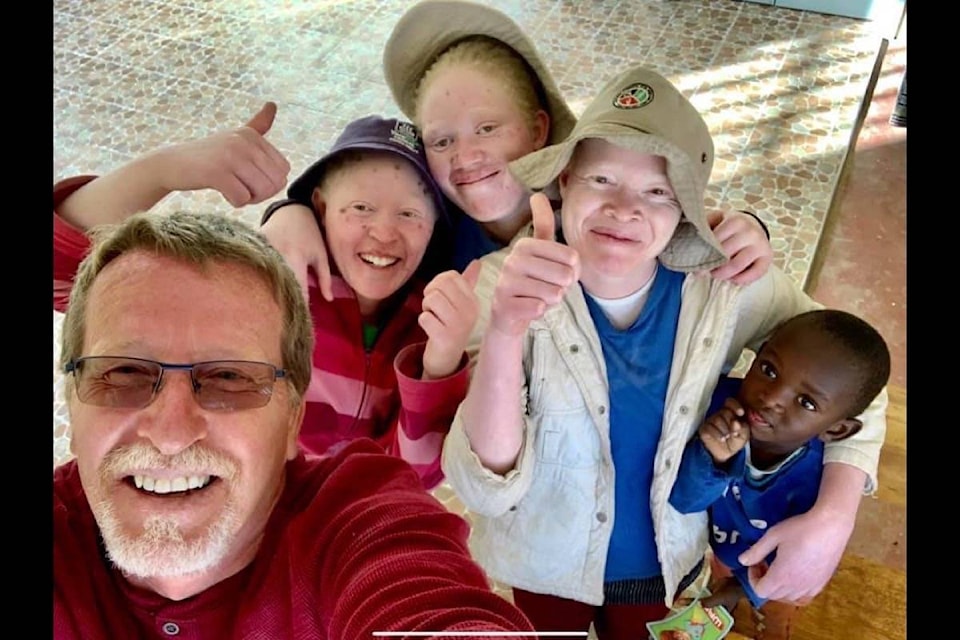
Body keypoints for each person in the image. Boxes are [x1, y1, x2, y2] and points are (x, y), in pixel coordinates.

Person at [439, 64, 888, 637]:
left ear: (688, 212)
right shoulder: (497, 286)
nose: (625, 209)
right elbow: (482, 485)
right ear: (565, 179)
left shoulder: (726, 285)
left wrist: (834, 516)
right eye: (602, 180)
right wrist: (505, 330)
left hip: (666, 565)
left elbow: (853, 375)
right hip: (542, 567)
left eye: (658, 192)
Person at [53, 208, 535, 637]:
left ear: (292, 420)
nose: (171, 433)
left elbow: (426, 601)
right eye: (124, 373)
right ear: (72, 402)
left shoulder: (356, 516)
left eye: (228, 377)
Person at [53, 104, 478, 488]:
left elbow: (411, 478)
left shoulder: (431, 319)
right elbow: (67, 276)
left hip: (337, 533)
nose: (384, 233)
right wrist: (164, 170)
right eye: (361, 209)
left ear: (435, 228)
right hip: (234, 509)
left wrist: (438, 363)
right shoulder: (268, 282)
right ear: (321, 207)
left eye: (409, 214)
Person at [260, 0, 773, 301]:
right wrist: (291, 209)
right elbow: (358, 196)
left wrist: (749, 228)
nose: (465, 155)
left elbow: (675, 216)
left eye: (488, 128)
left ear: (538, 131)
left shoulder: (590, 208)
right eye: (442, 140)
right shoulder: (432, 220)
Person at [669, 309, 891, 638]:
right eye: (769, 370)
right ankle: (727, 597)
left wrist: (746, 590)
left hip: (779, 569)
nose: (771, 398)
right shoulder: (717, 407)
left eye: (806, 402)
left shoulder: (820, 487)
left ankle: (771, 624)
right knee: (722, 572)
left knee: (775, 604)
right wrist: (711, 458)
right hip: (723, 544)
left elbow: (799, 561)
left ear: (837, 430)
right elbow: (685, 502)